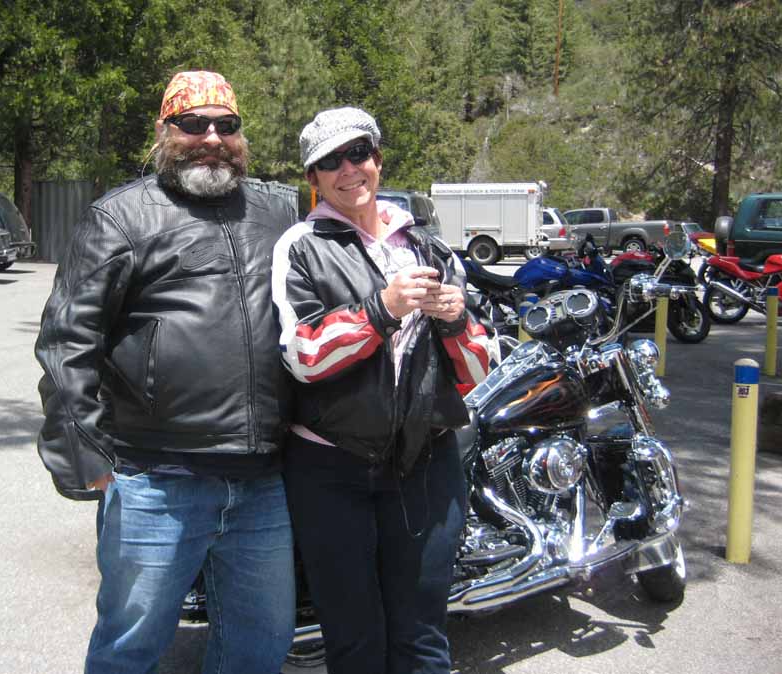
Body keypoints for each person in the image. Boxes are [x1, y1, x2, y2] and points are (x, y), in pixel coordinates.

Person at [35, 71, 295, 674]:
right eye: (193, 124)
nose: (212, 137)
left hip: (263, 482)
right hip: (154, 480)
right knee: (129, 650)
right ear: (164, 130)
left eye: (226, 125)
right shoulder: (120, 216)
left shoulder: (278, 211)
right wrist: (86, 458)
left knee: (260, 647)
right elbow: (68, 339)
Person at [272, 106, 498, 674]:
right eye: (330, 162)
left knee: (422, 635)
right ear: (313, 178)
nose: (348, 170)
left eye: (358, 154)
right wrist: (381, 310)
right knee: (354, 639)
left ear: (377, 158)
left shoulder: (427, 245)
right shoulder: (300, 245)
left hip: (425, 461)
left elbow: (477, 371)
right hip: (332, 469)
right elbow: (303, 355)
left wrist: (455, 320)